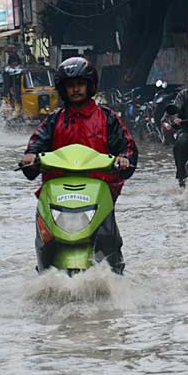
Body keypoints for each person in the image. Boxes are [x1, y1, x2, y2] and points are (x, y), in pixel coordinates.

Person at [21, 57, 138, 274]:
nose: (75, 90)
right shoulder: (54, 120)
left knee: (107, 238)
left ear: (90, 86)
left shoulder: (107, 118)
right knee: (45, 235)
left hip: (98, 189)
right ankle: (44, 268)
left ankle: (115, 271)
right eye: (70, 85)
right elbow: (36, 144)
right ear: (63, 89)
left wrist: (124, 157)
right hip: (58, 191)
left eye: (80, 84)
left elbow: (127, 147)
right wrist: (30, 156)